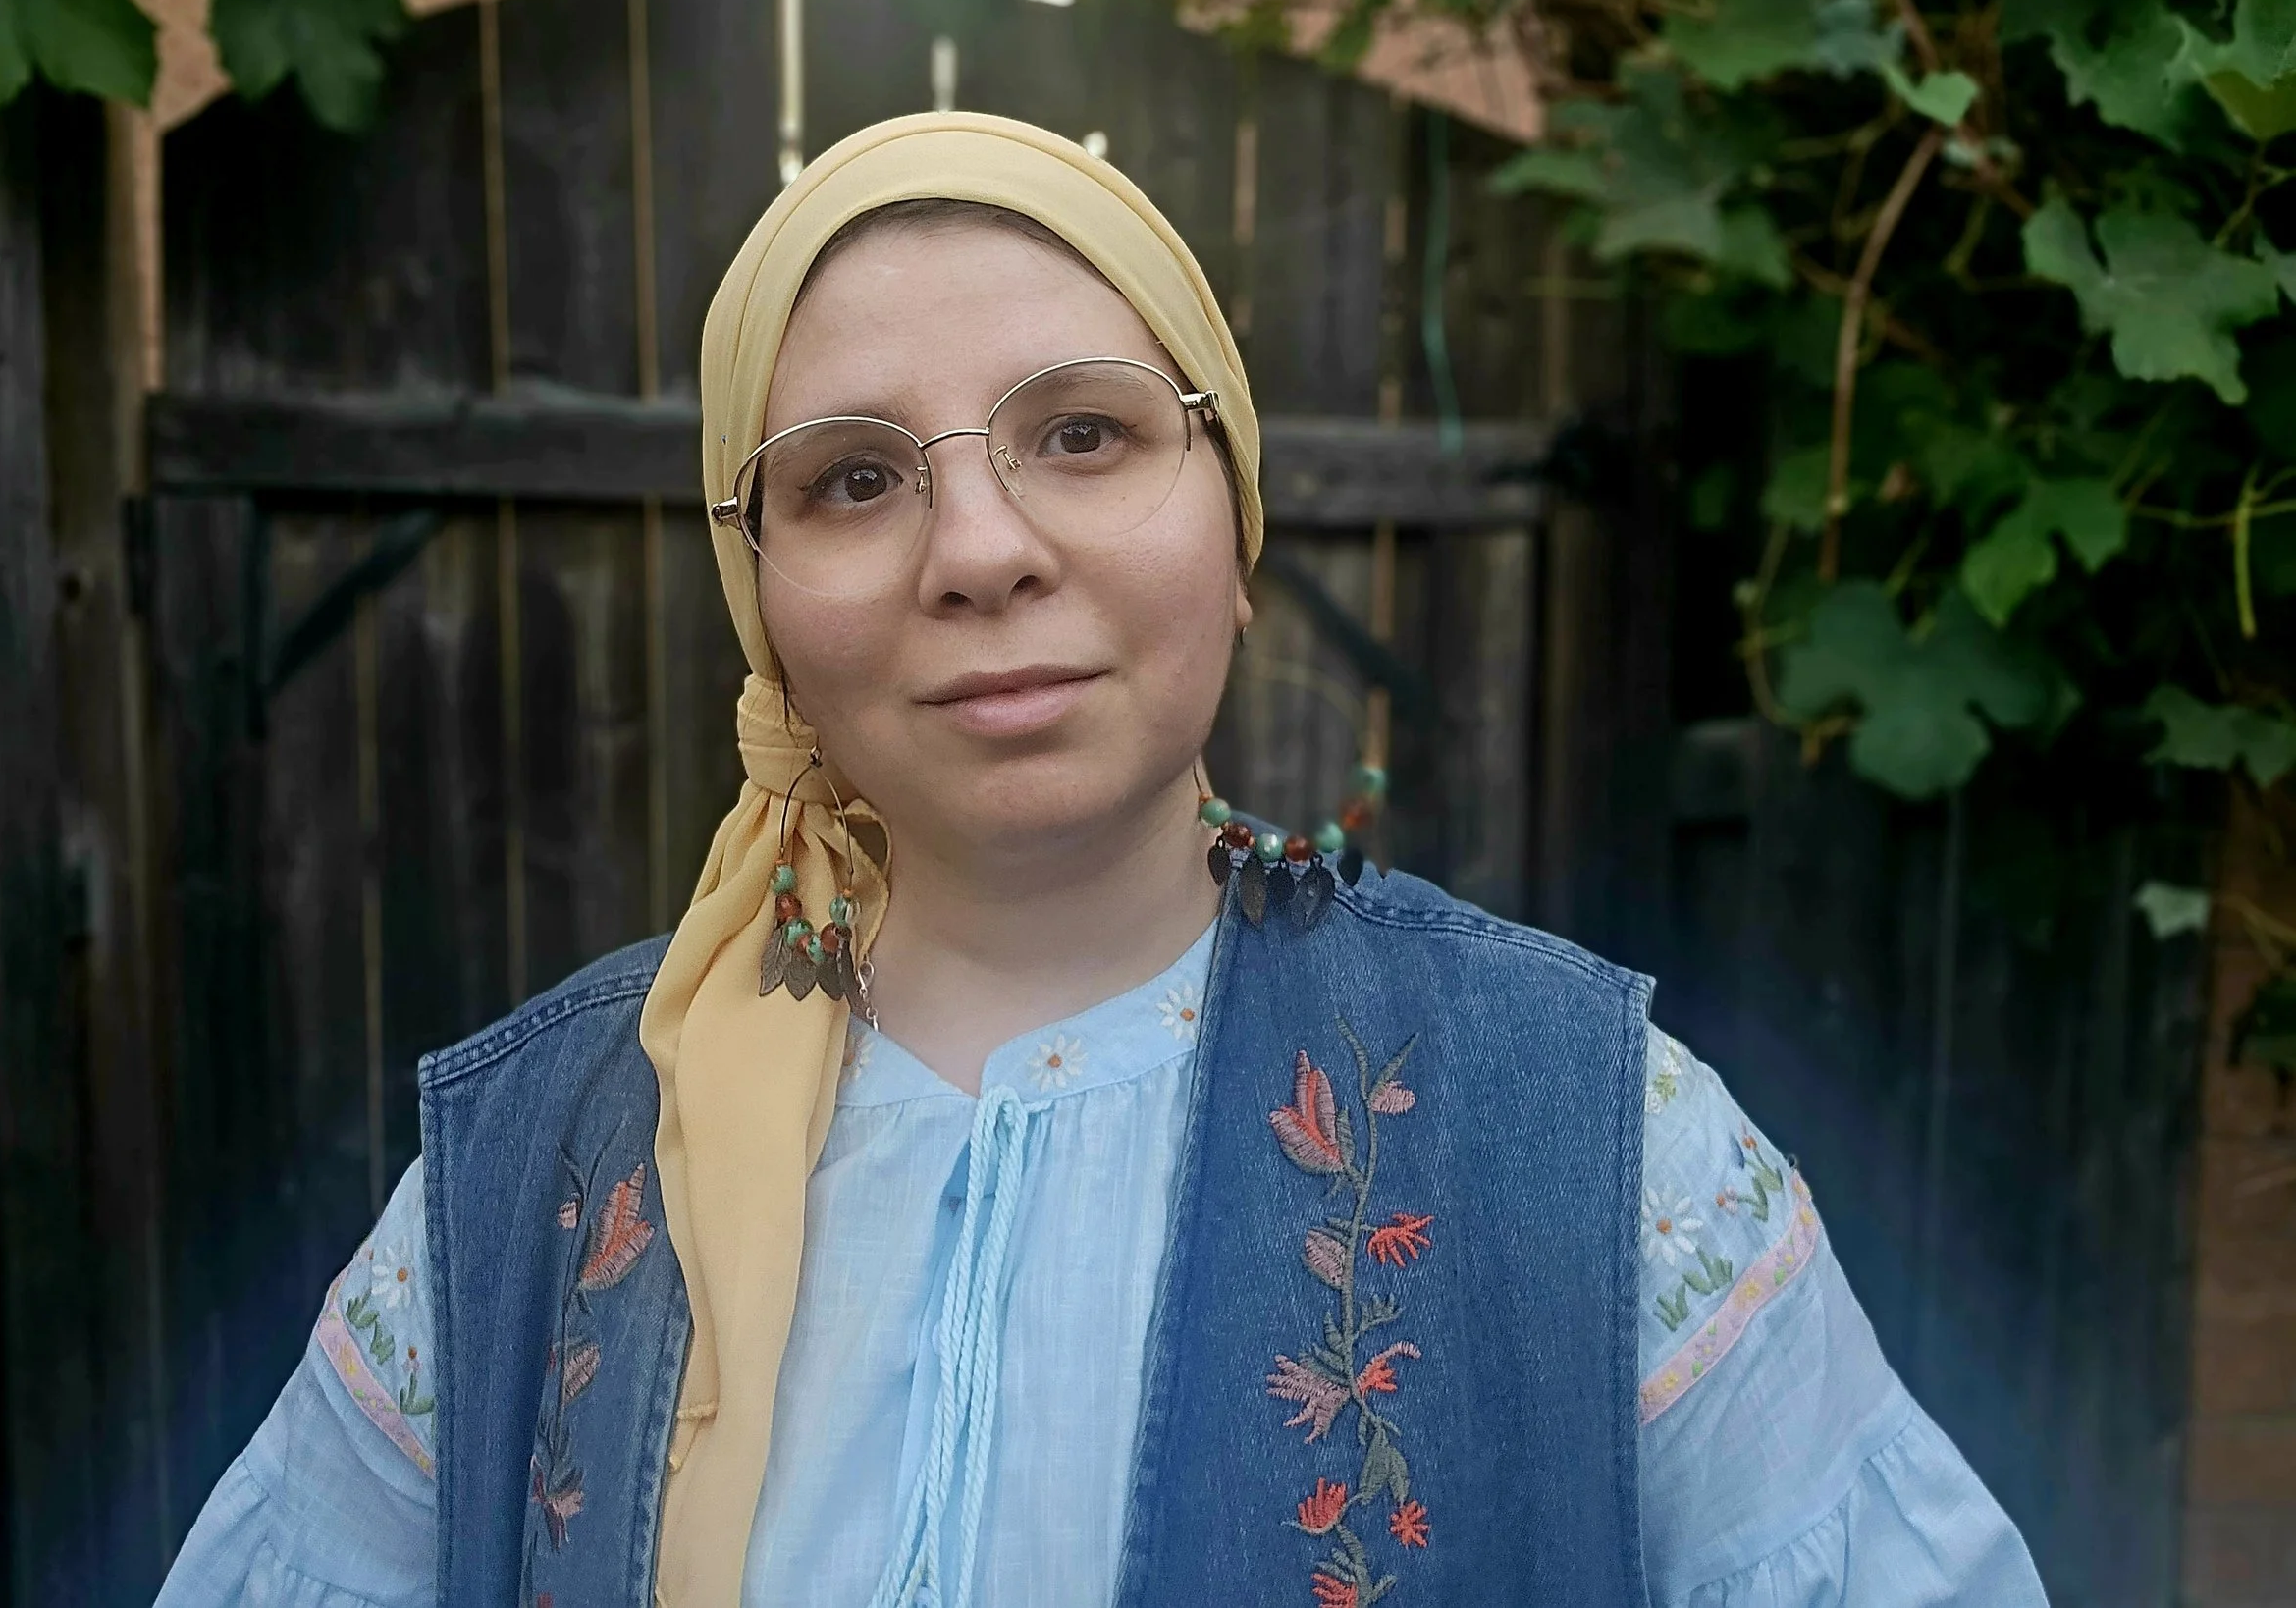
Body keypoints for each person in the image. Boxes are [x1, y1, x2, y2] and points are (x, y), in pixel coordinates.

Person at [155, 112, 2046, 1608]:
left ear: (1235, 523)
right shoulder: (538, 1163)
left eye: (1083, 431)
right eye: (854, 476)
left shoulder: (1598, 1129)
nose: (977, 547)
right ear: (761, 593)